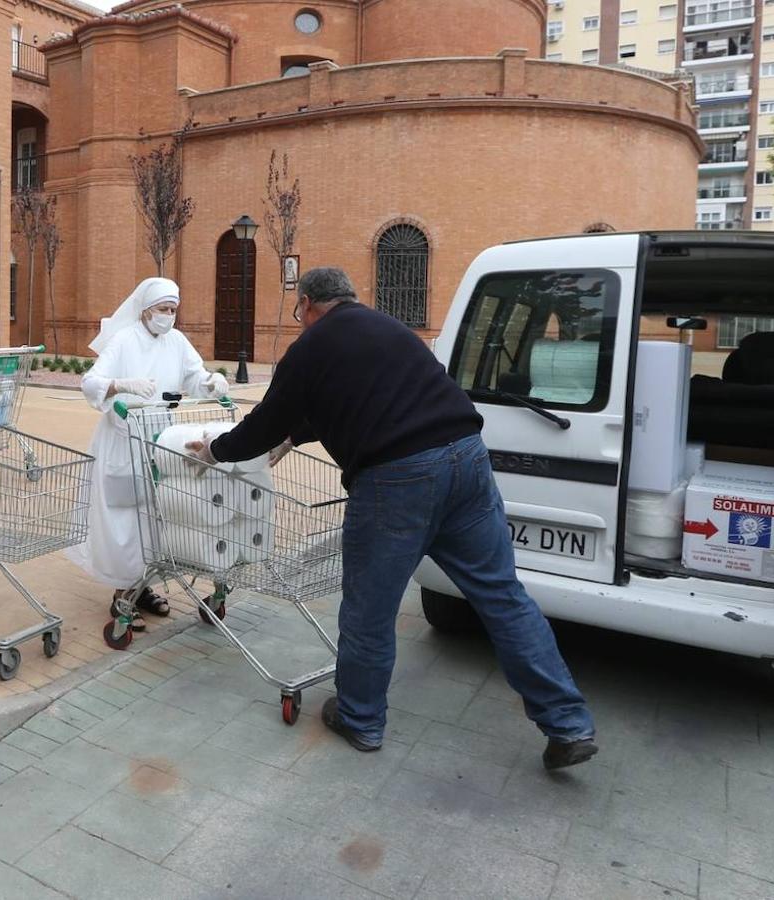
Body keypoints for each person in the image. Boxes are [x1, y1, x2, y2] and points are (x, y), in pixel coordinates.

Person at [187, 267, 598, 770]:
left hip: (398, 479)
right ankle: (568, 723)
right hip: (467, 459)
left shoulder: (311, 347)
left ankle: (359, 718)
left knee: (370, 609)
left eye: (300, 312)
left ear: (310, 304)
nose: (301, 321)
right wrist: (295, 437)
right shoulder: (392, 329)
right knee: (503, 596)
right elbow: (372, 399)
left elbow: (263, 423)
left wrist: (217, 451)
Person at [70, 277, 230, 630]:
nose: (168, 316)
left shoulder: (176, 340)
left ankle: (143, 587)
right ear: (145, 311)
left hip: (162, 443)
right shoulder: (124, 340)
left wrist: (210, 381)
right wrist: (120, 384)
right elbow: (90, 382)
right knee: (125, 520)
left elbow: (193, 375)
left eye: (173, 310)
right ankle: (122, 593)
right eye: (162, 309)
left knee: (158, 517)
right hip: (124, 442)